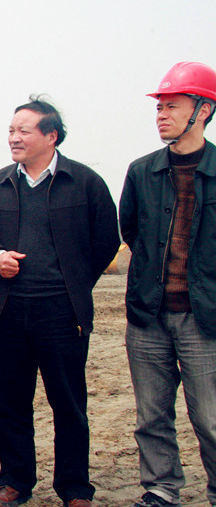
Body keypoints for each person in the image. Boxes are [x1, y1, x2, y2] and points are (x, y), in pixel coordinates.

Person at [0, 97, 119, 507]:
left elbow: (106, 239)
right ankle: (15, 481)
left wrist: (74, 282)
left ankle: (74, 488)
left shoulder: (84, 182)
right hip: (8, 313)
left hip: (62, 313)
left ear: (51, 136)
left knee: (69, 404)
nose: (14, 138)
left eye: (24, 130)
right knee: (10, 405)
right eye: (11, 130)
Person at [120, 61, 216, 507]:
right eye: (159, 107)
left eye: (172, 106)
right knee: (151, 416)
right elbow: (131, 232)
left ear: (203, 110)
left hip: (205, 319)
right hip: (149, 316)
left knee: (210, 418)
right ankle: (161, 488)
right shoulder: (142, 171)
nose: (161, 115)